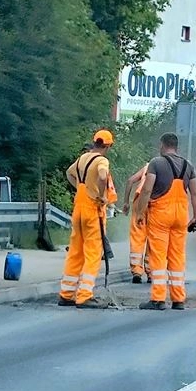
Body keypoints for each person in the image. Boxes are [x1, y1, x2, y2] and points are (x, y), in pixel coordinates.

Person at [134, 133, 196, 311]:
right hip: (180, 216)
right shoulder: (188, 166)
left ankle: (158, 298)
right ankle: (178, 299)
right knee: (177, 256)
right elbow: (195, 194)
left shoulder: (156, 163)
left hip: (160, 215)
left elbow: (147, 189)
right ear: (176, 146)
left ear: (162, 145)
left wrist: (140, 212)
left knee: (158, 256)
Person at [59, 129, 115, 309]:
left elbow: (69, 172)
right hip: (92, 210)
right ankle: (84, 295)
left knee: (75, 251)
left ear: (94, 142)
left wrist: (80, 188)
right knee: (92, 253)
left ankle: (66, 294)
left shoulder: (83, 158)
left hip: (78, 208)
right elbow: (102, 175)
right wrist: (100, 194)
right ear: (107, 146)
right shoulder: (102, 160)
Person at [123, 162, 152, 284]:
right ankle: (151, 272)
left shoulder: (149, 166)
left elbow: (130, 181)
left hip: (139, 202)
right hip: (155, 203)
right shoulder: (170, 168)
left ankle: (136, 271)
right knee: (153, 237)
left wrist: (126, 202)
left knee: (137, 236)